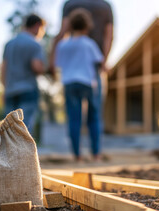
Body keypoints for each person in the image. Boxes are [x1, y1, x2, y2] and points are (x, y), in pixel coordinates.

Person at [55, 8, 104, 162]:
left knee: (74, 119)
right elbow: (100, 63)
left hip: (69, 83)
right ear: (86, 26)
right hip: (88, 83)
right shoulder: (89, 44)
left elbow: (59, 64)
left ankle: (77, 155)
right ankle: (96, 153)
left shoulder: (62, 45)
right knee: (93, 118)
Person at [1, 14, 45, 133]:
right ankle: (23, 152)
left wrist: (4, 89)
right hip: (27, 89)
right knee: (24, 128)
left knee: (9, 128)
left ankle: (9, 152)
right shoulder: (34, 44)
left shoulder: (9, 44)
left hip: (10, 90)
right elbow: (36, 66)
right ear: (37, 26)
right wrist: (45, 69)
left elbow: (3, 68)